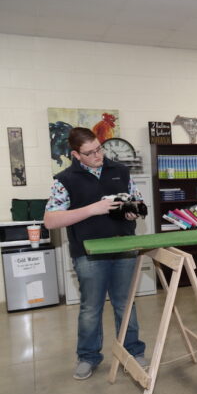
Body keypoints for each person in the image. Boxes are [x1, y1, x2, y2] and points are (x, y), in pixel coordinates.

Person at [43, 127, 146, 380]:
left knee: (126, 304)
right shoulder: (64, 179)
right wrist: (93, 209)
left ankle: (132, 350)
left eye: (99, 148)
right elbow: (50, 221)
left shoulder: (120, 171)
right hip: (88, 254)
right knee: (91, 307)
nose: (98, 155)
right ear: (76, 155)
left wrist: (133, 211)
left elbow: (138, 203)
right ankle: (88, 356)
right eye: (90, 153)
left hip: (123, 248)